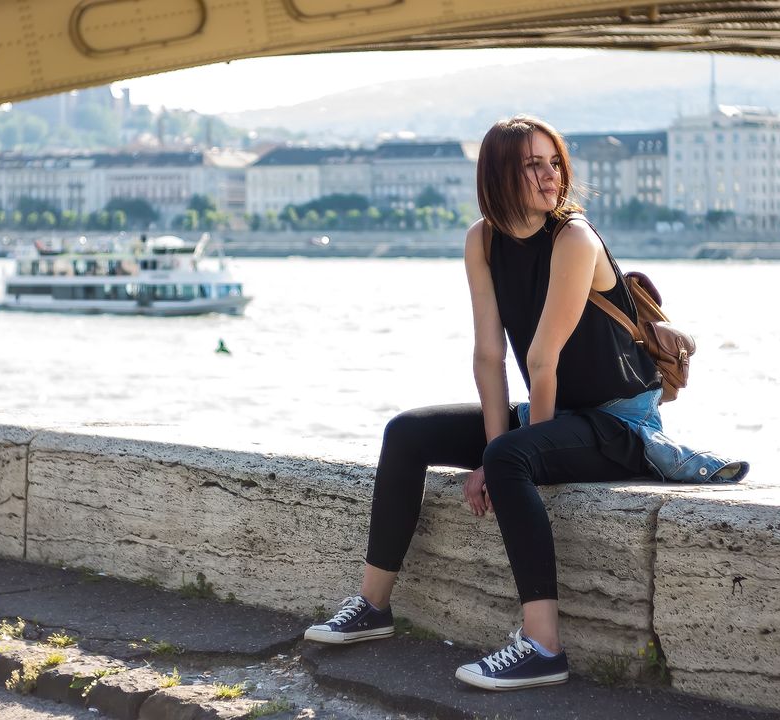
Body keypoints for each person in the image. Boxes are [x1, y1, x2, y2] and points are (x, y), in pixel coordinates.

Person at [303, 115, 748, 691]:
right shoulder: (481, 239)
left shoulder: (574, 239)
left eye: (555, 162)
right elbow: (489, 356)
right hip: (558, 413)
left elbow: (542, 362)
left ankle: (543, 646)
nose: (549, 177)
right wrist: (497, 445)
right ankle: (372, 606)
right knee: (407, 432)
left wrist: (507, 454)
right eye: (532, 165)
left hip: (617, 425)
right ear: (499, 177)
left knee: (512, 458)